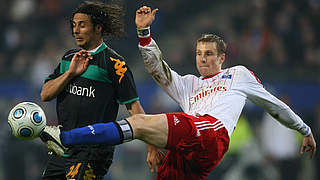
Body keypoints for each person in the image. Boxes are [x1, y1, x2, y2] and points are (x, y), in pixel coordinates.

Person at [42, 6, 317, 180]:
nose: (203, 59)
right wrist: (144, 34)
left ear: (223, 58)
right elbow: (158, 70)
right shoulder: (189, 84)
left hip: (211, 134)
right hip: (189, 151)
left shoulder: (239, 75)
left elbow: (273, 105)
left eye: (209, 54)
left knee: (138, 122)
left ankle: (63, 137)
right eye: (199, 54)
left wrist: (304, 129)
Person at [39, 1, 154, 180]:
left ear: (98, 28)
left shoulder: (115, 64)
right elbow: (45, 94)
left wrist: (151, 146)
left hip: (93, 152)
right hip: (62, 149)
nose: (76, 30)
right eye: (74, 25)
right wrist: (69, 74)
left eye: (82, 25)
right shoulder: (69, 58)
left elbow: (134, 109)